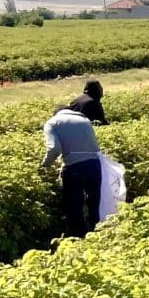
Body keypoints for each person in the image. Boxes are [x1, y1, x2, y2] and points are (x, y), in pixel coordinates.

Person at [40, 102, 104, 237]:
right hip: (94, 164)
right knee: (94, 202)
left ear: (56, 113)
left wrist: (44, 165)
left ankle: (79, 237)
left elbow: (54, 148)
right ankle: (98, 233)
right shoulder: (84, 120)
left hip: (74, 168)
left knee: (74, 205)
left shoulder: (52, 123)